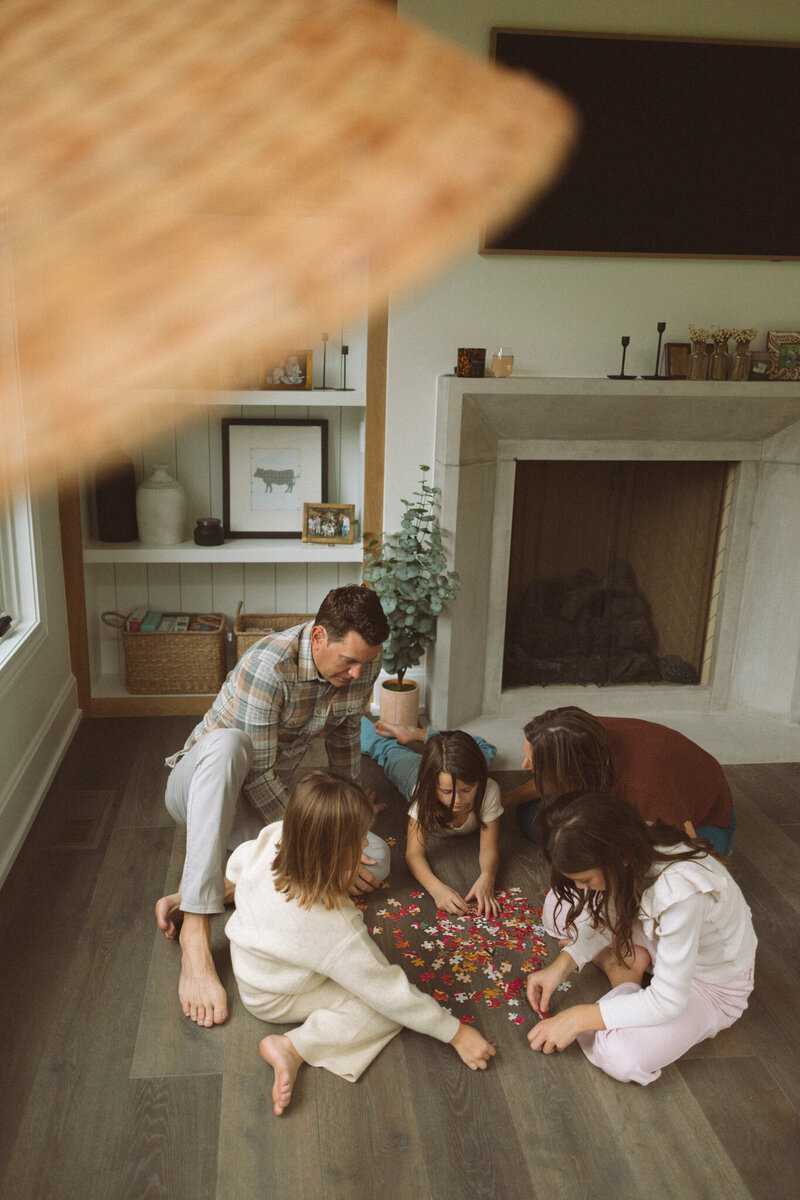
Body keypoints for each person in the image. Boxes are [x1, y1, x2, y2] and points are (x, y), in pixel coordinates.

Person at [155, 584, 389, 1028]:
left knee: (375, 857)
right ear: (318, 638)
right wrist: (318, 842)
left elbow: (345, 737)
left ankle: (205, 890)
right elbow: (258, 777)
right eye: (350, 661)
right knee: (227, 745)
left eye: (366, 661)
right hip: (204, 790)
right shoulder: (269, 666)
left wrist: (349, 819)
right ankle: (196, 933)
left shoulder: (363, 662)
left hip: (261, 808)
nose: (360, 673)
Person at [224, 771, 496, 1115]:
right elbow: (389, 991)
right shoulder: (334, 924)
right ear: (334, 851)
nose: (368, 844)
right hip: (273, 996)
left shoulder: (275, 836)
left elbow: (234, 869)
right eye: (360, 840)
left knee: (376, 993)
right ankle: (294, 1047)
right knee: (384, 1009)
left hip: (248, 964)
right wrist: (456, 1034)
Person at [525, 792, 756, 1085]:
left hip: (709, 986)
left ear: (618, 860)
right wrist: (561, 966)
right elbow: (615, 904)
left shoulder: (681, 891)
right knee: (557, 905)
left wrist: (576, 1018)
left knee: (620, 1055)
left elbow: (669, 1001)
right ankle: (632, 961)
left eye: (584, 880)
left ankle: (625, 976)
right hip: (657, 933)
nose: (581, 887)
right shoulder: (630, 843)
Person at [504, 707, 736, 855]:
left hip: (705, 820)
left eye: (534, 761)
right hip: (658, 787)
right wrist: (502, 800)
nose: (524, 766)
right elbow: (552, 780)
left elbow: (689, 853)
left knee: (557, 834)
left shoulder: (646, 790)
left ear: (570, 767)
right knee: (536, 820)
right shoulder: (576, 733)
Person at [361, 718, 502, 916]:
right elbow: (413, 854)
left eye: (466, 790)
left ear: (478, 781)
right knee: (388, 751)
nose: (457, 800)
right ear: (432, 786)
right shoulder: (423, 794)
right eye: (446, 791)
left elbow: (489, 848)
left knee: (485, 750)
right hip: (414, 772)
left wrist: (488, 876)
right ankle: (360, 721)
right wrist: (437, 890)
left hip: (453, 768)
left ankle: (413, 732)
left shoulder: (488, 789)